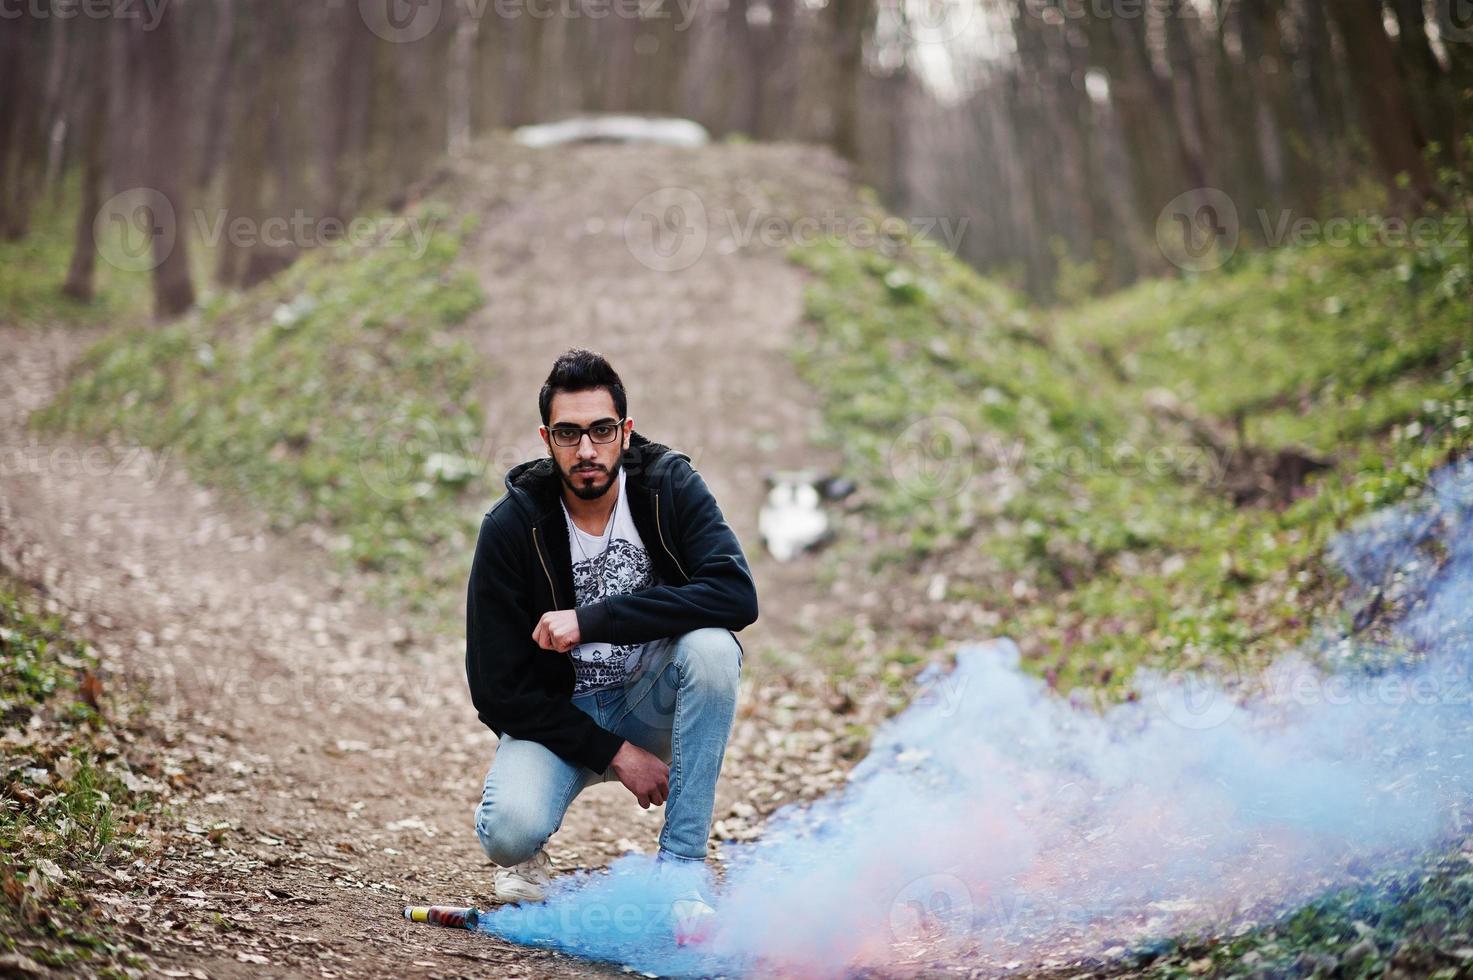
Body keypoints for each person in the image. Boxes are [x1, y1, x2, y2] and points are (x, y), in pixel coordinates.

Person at [465, 347, 758, 941]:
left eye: (601, 430)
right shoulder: (510, 527)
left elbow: (736, 595)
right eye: (569, 434)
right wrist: (613, 750)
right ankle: (531, 857)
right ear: (547, 438)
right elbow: (495, 691)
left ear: (624, 430)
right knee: (507, 832)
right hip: (560, 718)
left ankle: (680, 871)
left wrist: (592, 620)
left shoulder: (668, 485)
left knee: (712, 650)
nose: (587, 450)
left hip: (652, 695)